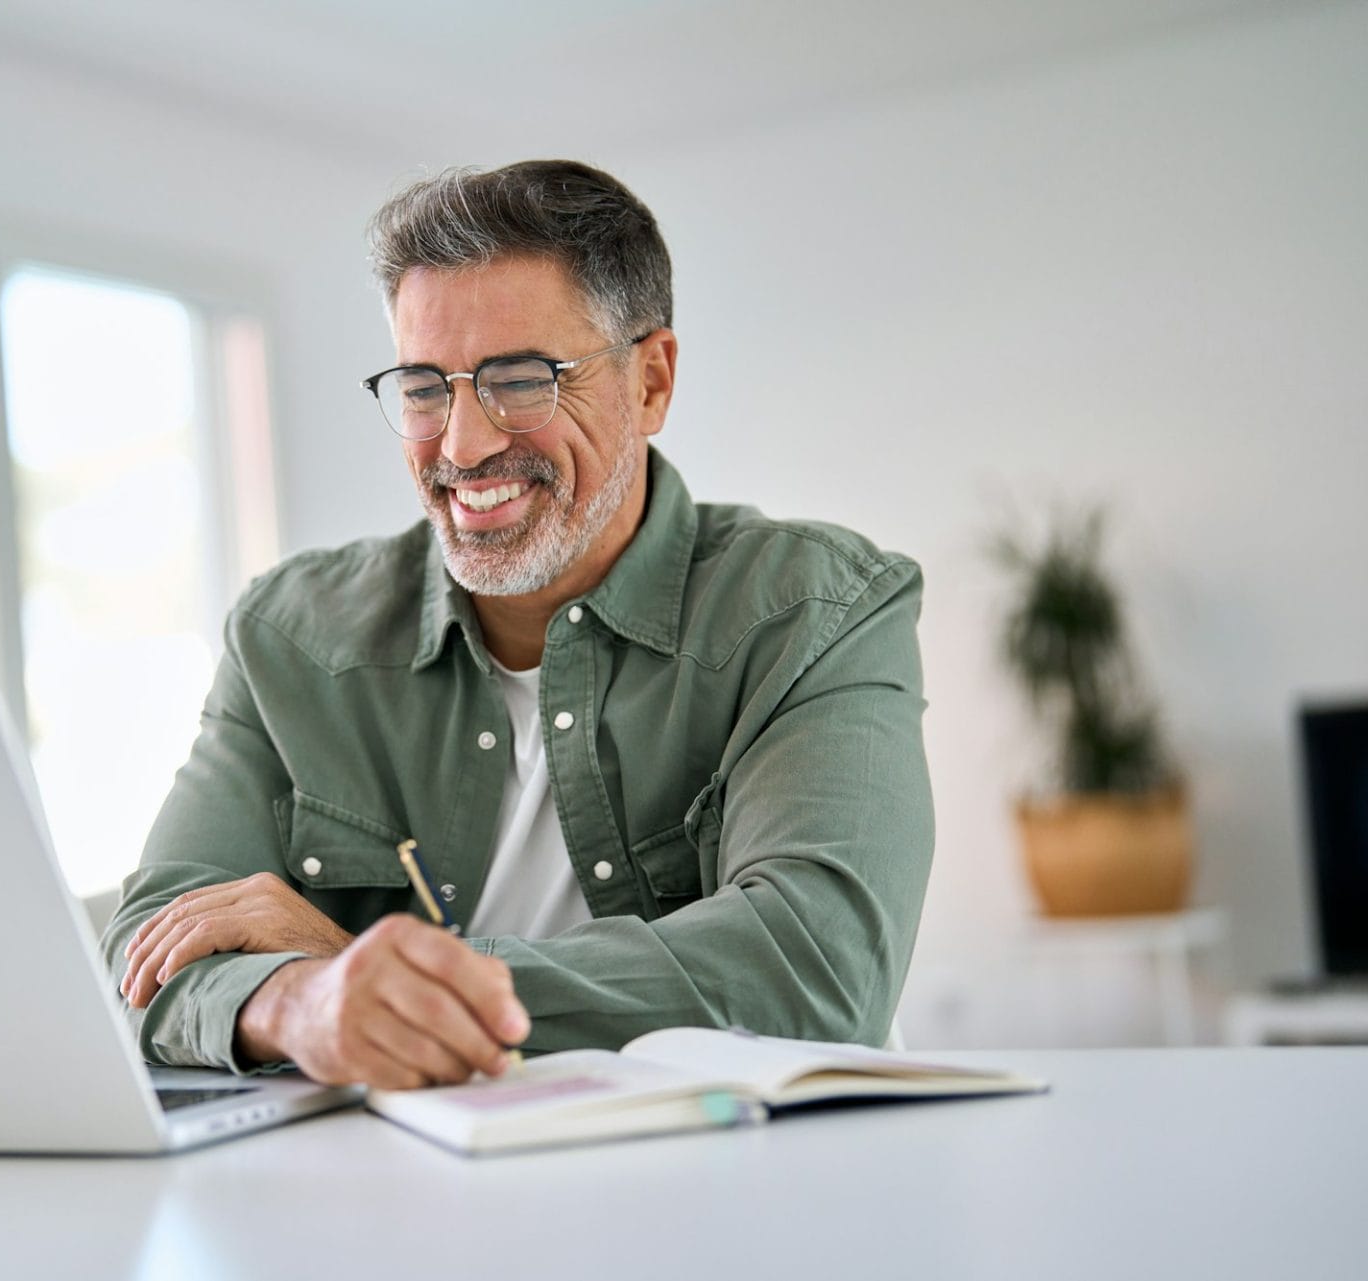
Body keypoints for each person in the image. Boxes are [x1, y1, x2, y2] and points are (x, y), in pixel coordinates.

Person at [101, 160, 933, 1091]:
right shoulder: (288, 636)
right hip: (395, 1201)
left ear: (650, 381)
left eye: (522, 380)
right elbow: (150, 947)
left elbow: (815, 969)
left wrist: (375, 970)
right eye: (423, 387)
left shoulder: (817, 609)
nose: (461, 445)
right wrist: (302, 1002)